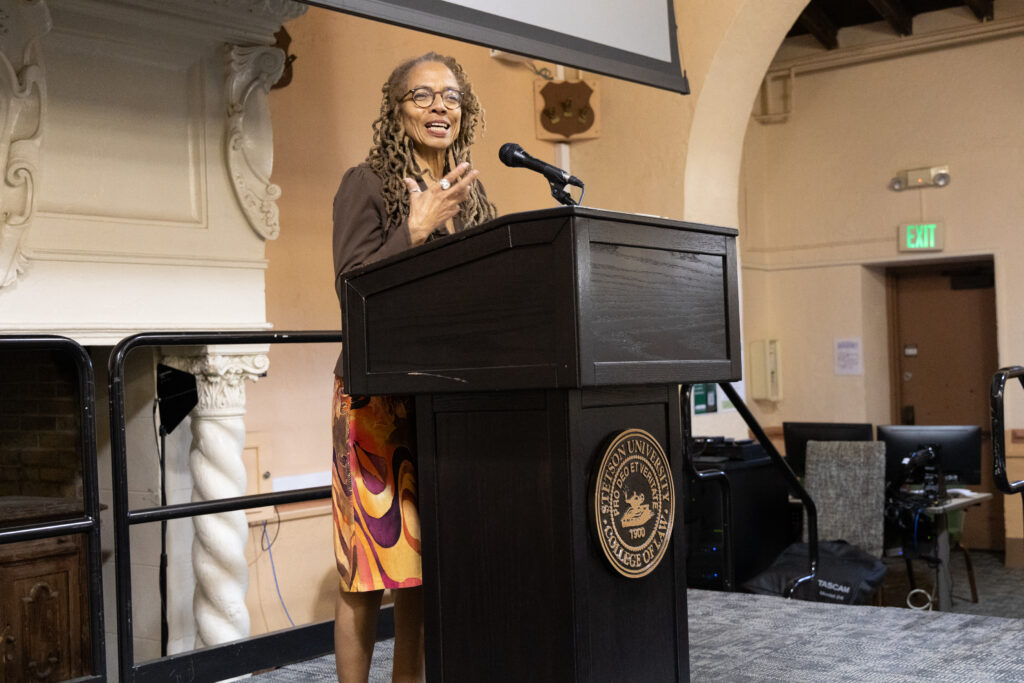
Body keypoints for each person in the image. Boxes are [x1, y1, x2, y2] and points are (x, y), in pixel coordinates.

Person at [330, 53, 497, 683]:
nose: (438, 107)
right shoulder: (366, 184)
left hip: (448, 401)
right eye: (421, 96)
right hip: (376, 403)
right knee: (367, 570)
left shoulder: (472, 192)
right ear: (395, 110)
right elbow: (351, 288)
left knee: (425, 569)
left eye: (451, 97)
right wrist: (416, 228)